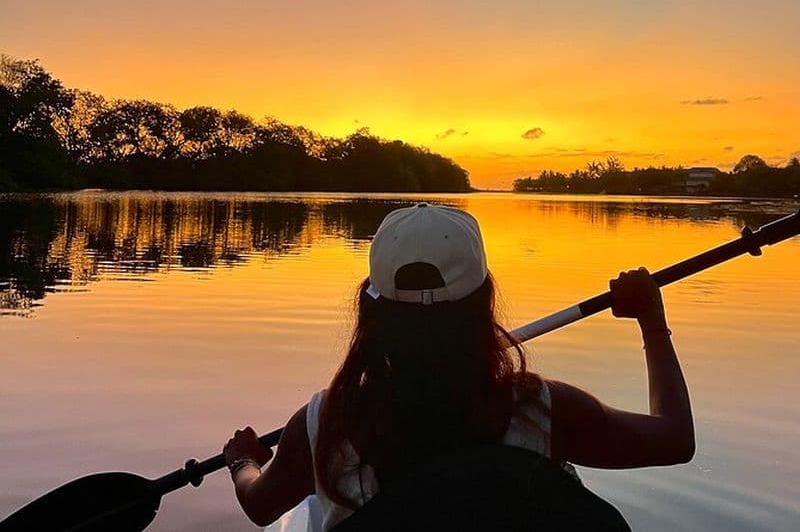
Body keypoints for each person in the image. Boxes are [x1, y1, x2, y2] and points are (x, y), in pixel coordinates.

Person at [223, 203, 695, 530]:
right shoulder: (542, 410)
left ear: (372, 311)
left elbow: (260, 507)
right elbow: (674, 439)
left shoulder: (325, 423)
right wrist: (652, 322)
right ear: (483, 301)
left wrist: (244, 461)